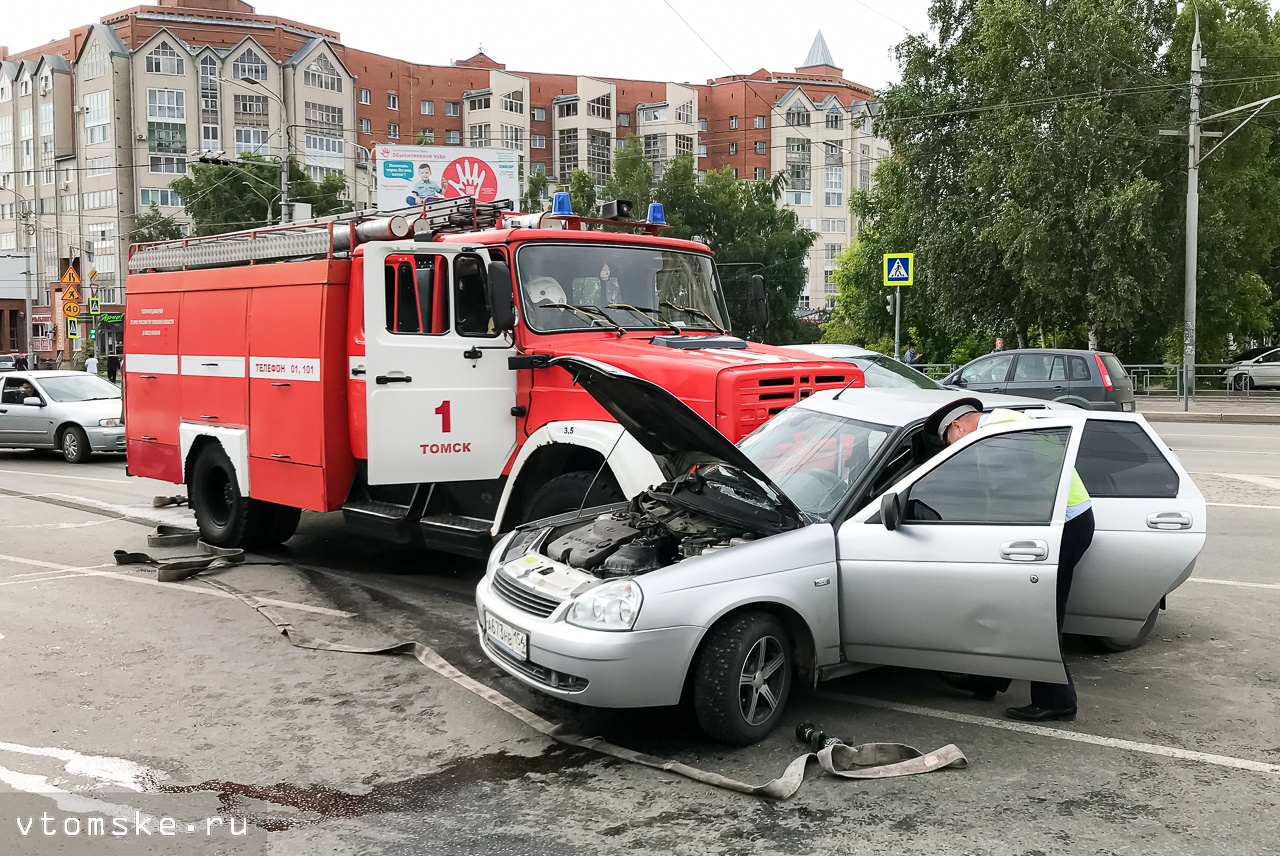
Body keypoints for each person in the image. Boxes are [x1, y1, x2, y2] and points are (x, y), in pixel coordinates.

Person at [927, 398, 1095, 722]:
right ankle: (989, 678)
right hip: (1068, 520)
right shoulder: (1000, 424)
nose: (952, 450)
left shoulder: (999, 440)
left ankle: (1057, 700)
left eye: (949, 441)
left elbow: (1011, 496)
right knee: (1009, 606)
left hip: (1063, 526)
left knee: (1039, 615)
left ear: (958, 426)